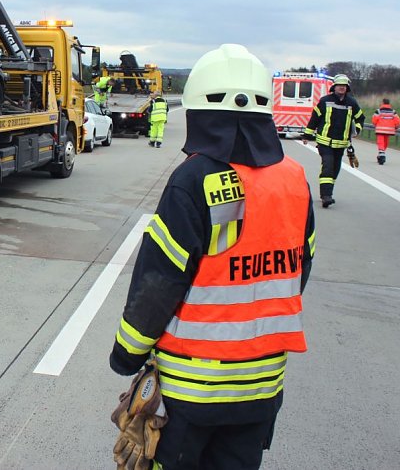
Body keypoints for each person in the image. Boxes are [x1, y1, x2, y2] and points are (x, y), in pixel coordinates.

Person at [110, 44, 316, 470]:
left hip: (193, 390)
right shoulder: (294, 180)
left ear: (199, 112)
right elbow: (300, 268)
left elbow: (159, 282)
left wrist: (127, 355)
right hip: (261, 389)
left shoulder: (194, 179)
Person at [303, 74, 365, 208]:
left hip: (341, 143)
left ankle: (328, 190)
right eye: (339, 86)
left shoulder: (352, 103)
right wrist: (307, 135)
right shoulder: (325, 101)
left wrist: (356, 130)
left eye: (344, 86)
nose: (341, 88)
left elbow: (360, 118)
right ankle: (326, 196)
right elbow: (315, 118)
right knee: (328, 166)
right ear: (334, 87)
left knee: (335, 168)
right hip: (325, 142)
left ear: (347, 88)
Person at [371, 98, 400, 165]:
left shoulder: (378, 111)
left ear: (382, 103)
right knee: (385, 143)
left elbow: (374, 120)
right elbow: (397, 120)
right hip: (389, 131)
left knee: (380, 143)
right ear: (389, 103)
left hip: (380, 130)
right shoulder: (393, 112)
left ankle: (381, 155)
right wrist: (396, 126)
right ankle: (381, 154)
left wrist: (375, 124)